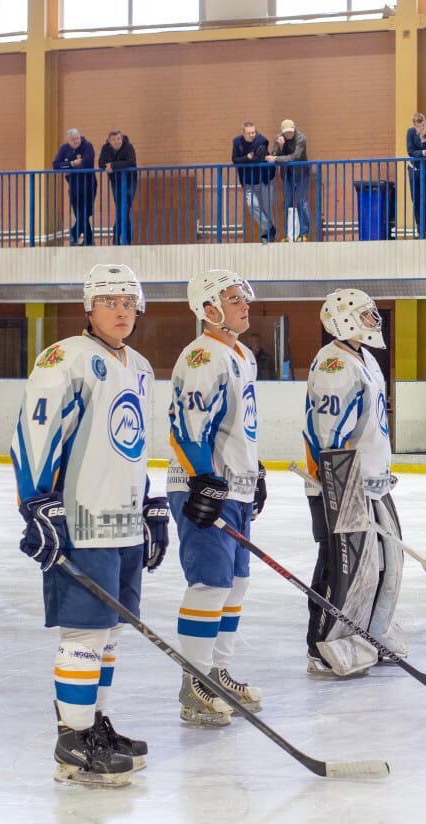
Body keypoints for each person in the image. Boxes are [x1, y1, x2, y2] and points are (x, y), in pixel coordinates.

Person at [10, 263, 165, 787]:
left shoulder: (139, 365)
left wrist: (151, 505)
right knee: (85, 630)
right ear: (89, 308)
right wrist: (38, 505)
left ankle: (95, 726)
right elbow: (34, 434)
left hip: (122, 519)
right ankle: (73, 738)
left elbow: (136, 443)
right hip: (79, 519)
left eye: (128, 302)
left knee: (110, 631)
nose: (121, 311)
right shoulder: (66, 358)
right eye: (110, 302)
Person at [168, 269, 265, 726]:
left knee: (236, 583)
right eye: (232, 298)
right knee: (210, 584)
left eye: (243, 296)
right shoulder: (203, 355)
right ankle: (196, 682)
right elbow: (186, 427)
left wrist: (254, 470)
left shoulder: (241, 354)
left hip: (235, 487)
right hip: (205, 487)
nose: (244, 304)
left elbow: (236, 423)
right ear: (209, 310)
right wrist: (203, 478)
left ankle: (217, 672)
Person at [303, 289, 406, 676]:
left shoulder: (362, 359)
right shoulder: (334, 364)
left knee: (382, 564)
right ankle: (323, 643)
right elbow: (328, 436)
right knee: (340, 566)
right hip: (344, 486)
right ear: (342, 319)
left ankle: (369, 631)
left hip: (371, 484)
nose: (373, 320)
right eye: (365, 314)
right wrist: (339, 488)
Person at [266, 119, 312, 242]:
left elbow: (295, 156)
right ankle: (289, 234)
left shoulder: (301, 138)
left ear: (294, 129)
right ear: (282, 132)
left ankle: (304, 233)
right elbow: (273, 155)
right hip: (287, 175)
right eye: (286, 133)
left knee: (301, 202)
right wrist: (280, 146)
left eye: (291, 132)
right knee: (287, 204)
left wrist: (276, 158)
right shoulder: (279, 138)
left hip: (302, 173)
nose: (289, 135)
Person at [231, 121, 276, 243]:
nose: (252, 135)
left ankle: (265, 235)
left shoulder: (262, 141)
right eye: (249, 133)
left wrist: (244, 160)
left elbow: (257, 160)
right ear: (243, 133)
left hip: (264, 179)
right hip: (248, 181)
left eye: (253, 132)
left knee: (266, 208)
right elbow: (234, 160)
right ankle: (269, 227)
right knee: (252, 206)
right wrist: (247, 157)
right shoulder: (237, 142)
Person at [53, 129, 98, 247]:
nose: (76, 141)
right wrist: (72, 164)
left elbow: (87, 163)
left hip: (88, 185)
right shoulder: (64, 149)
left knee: (85, 212)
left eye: (77, 138)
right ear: (68, 140)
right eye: (73, 139)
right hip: (73, 186)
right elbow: (56, 165)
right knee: (79, 213)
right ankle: (89, 241)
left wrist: (68, 168)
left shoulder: (87, 146)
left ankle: (74, 232)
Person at [98, 130, 136, 247]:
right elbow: (101, 163)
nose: (116, 142)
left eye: (118, 139)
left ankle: (117, 237)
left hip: (129, 182)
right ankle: (126, 239)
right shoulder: (106, 148)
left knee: (124, 208)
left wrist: (113, 165)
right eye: (113, 140)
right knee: (121, 209)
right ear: (109, 141)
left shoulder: (128, 146)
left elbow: (131, 162)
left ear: (122, 139)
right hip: (116, 182)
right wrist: (108, 165)